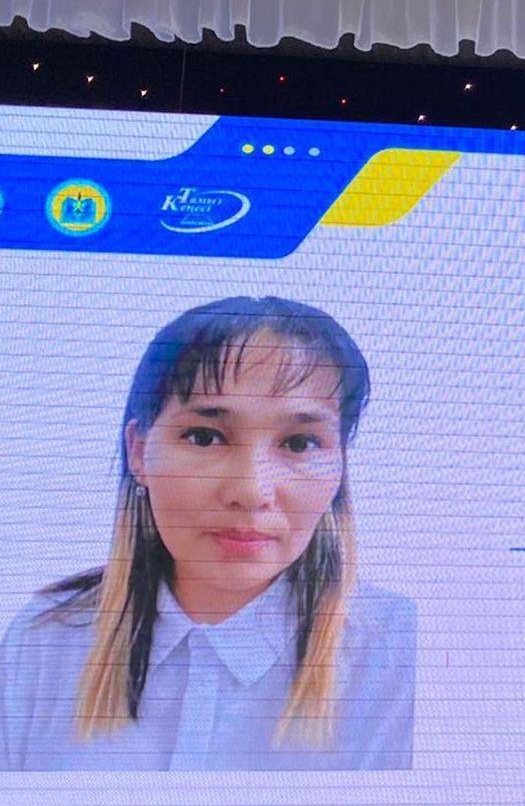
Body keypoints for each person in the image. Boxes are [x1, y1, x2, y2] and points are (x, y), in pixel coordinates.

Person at [0, 295, 415, 771]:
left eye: (300, 443)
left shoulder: (400, 652)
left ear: (340, 465)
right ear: (138, 452)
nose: (251, 491)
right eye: (204, 437)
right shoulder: (45, 639)